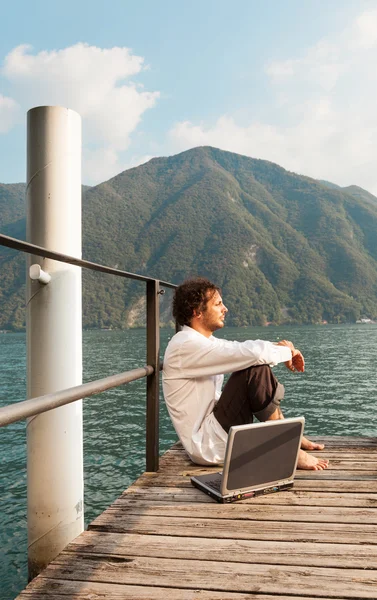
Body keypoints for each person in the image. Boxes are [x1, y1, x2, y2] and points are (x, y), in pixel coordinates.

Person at [162, 277, 329, 470]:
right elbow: (252, 354)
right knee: (255, 369)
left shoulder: (201, 342)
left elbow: (241, 349)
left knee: (255, 364)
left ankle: (291, 436)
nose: (225, 309)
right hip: (207, 444)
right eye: (218, 304)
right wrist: (286, 352)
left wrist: (282, 348)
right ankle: (287, 447)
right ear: (197, 312)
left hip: (214, 431)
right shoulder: (185, 345)